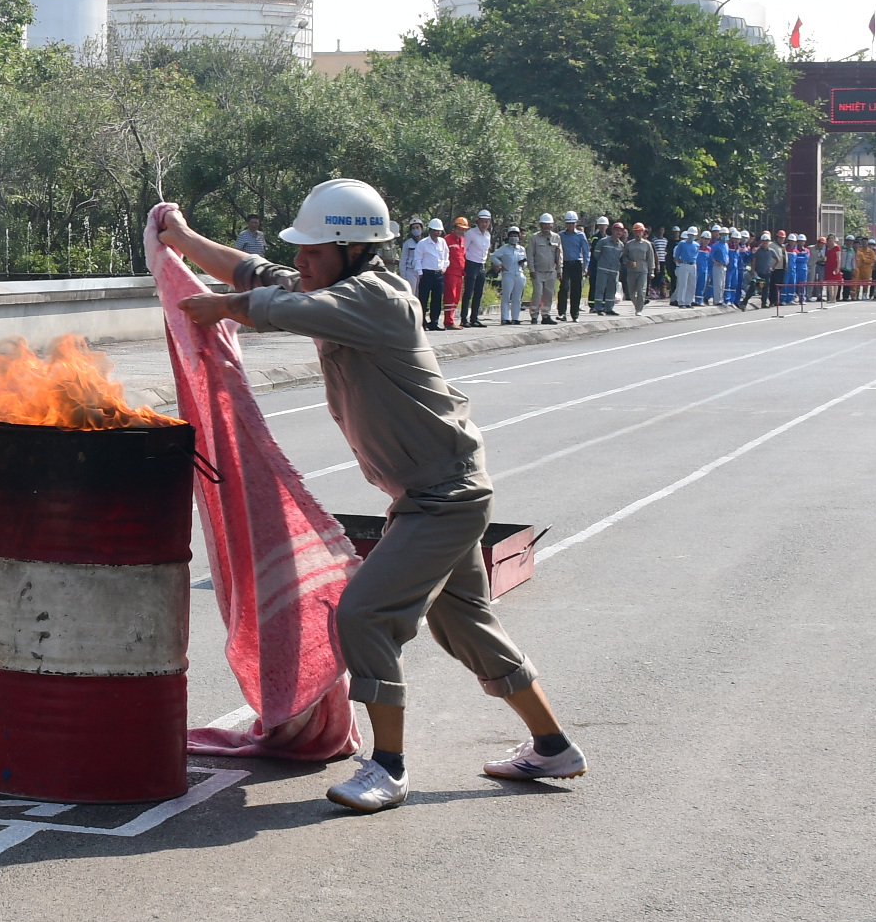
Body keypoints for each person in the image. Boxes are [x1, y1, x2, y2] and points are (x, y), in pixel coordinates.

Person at [153, 179, 583, 813]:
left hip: (445, 496)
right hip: (431, 490)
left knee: (360, 614)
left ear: (353, 250)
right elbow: (259, 271)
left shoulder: (378, 299)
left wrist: (222, 308)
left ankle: (387, 767)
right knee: (463, 622)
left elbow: (281, 308)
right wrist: (185, 242)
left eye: (313, 252)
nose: (300, 262)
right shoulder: (330, 284)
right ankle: (553, 747)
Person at [404, 218, 445, 326]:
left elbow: (446, 256)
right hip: (426, 273)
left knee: (437, 299)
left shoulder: (442, 242)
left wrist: (444, 267)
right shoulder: (423, 243)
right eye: (435, 230)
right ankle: (422, 322)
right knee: (423, 298)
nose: (437, 233)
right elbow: (418, 259)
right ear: (430, 230)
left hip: (438, 273)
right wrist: (420, 273)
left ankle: (434, 322)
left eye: (439, 231)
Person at [460, 211, 493, 327]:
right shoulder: (471, 234)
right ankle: (464, 318)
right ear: (478, 221)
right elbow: (464, 250)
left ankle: (474, 318)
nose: (484, 224)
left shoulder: (488, 235)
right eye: (482, 221)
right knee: (468, 292)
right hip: (471, 263)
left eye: (486, 222)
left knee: (478, 293)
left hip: (481, 264)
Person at [558, 211, 589, 322]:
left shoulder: (581, 235)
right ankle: (562, 313)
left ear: (575, 223)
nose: (570, 226)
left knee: (576, 289)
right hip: (565, 264)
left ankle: (575, 314)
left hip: (577, 263)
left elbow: (586, 252)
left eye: (572, 223)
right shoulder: (561, 235)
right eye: (568, 223)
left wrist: (585, 266)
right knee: (564, 288)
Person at [530, 213, 560, 323]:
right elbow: (530, 255)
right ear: (540, 225)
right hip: (538, 271)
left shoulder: (556, 237)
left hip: (551, 271)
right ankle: (534, 315)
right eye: (544, 224)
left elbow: (559, 255)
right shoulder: (534, 238)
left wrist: (559, 270)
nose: (546, 227)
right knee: (537, 294)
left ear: (552, 225)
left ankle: (546, 315)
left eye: (548, 224)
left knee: (549, 294)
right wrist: (532, 270)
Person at [494, 222, 526, 324]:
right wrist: (500, 264)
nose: (514, 237)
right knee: (506, 297)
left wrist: (523, 264)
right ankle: (505, 318)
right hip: (508, 274)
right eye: (512, 235)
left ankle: (515, 318)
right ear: (508, 237)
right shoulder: (504, 248)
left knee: (517, 298)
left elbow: (526, 261)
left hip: (519, 274)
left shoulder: (521, 249)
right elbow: (493, 256)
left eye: (516, 235)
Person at [588, 219, 622, 316]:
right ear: (612, 230)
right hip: (603, 269)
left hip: (614, 270)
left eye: (620, 231)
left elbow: (620, 257)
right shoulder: (603, 241)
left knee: (612, 290)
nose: (618, 232)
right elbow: (596, 254)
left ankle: (609, 308)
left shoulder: (621, 245)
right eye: (616, 230)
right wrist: (602, 263)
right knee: (600, 288)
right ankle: (598, 308)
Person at [672, 227, 701, 306]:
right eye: (691, 235)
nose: (692, 236)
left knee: (692, 284)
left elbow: (696, 255)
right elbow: (677, 255)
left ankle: (689, 302)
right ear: (688, 235)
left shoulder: (697, 245)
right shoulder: (682, 243)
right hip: (684, 264)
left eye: (693, 235)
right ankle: (681, 302)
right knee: (683, 283)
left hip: (693, 264)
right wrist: (680, 261)